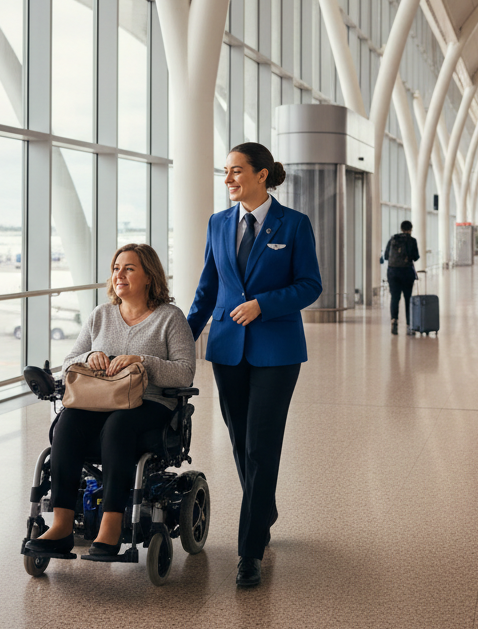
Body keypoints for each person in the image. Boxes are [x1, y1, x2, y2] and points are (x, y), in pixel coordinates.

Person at [187, 142, 322, 589]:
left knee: (262, 446)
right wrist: (181, 338)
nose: (228, 179)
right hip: (227, 348)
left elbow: (310, 285)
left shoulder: (294, 224)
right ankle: (263, 507)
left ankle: (250, 552)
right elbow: (208, 288)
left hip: (276, 352)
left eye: (236, 171)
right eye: (225, 171)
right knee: (241, 442)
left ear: (262, 175)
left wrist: (264, 304)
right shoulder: (218, 223)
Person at [25, 244, 195, 559]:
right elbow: (69, 361)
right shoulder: (101, 316)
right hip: (100, 399)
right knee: (67, 422)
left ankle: (111, 526)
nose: (119, 274)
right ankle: (61, 526)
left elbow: (185, 373)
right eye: (116, 268)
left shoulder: (169, 318)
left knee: (119, 426)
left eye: (129, 268)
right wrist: (91, 357)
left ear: (149, 276)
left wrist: (142, 362)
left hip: (151, 403)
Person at [383, 220, 420, 335]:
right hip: (406, 272)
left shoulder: (393, 239)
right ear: (410, 229)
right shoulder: (412, 241)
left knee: (395, 298)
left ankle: (394, 320)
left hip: (393, 272)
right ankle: (409, 325)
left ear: (401, 228)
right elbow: (416, 257)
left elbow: (385, 256)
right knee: (408, 298)